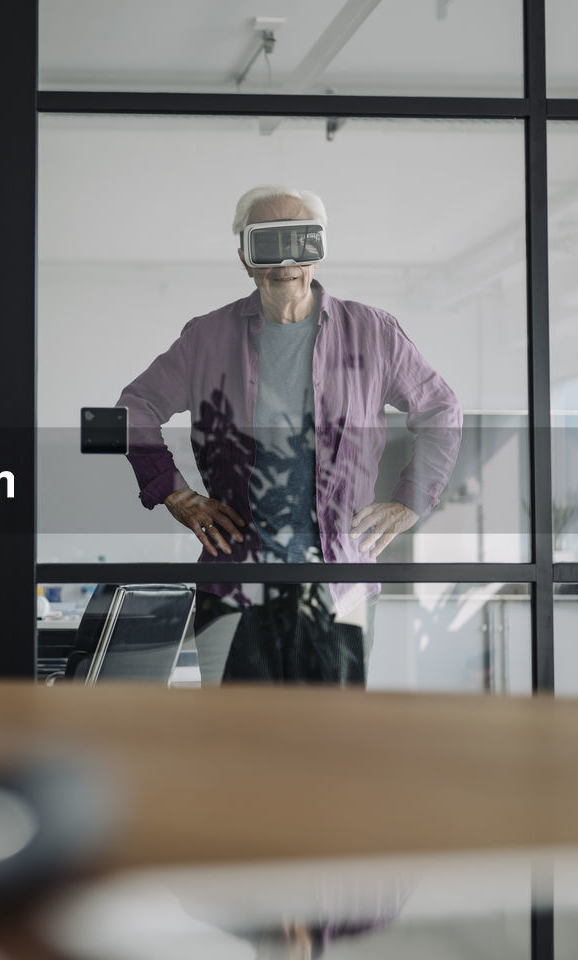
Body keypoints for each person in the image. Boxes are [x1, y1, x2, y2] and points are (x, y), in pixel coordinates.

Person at [116, 185, 461, 684]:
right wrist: (174, 493)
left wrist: (411, 501)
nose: (286, 261)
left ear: (319, 251)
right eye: (268, 244)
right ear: (245, 257)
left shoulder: (374, 333)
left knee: (334, 747)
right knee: (237, 746)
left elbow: (440, 410)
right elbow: (133, 409)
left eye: (300, 241)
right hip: (235, 591)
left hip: (341, 592)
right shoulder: (205, 339)